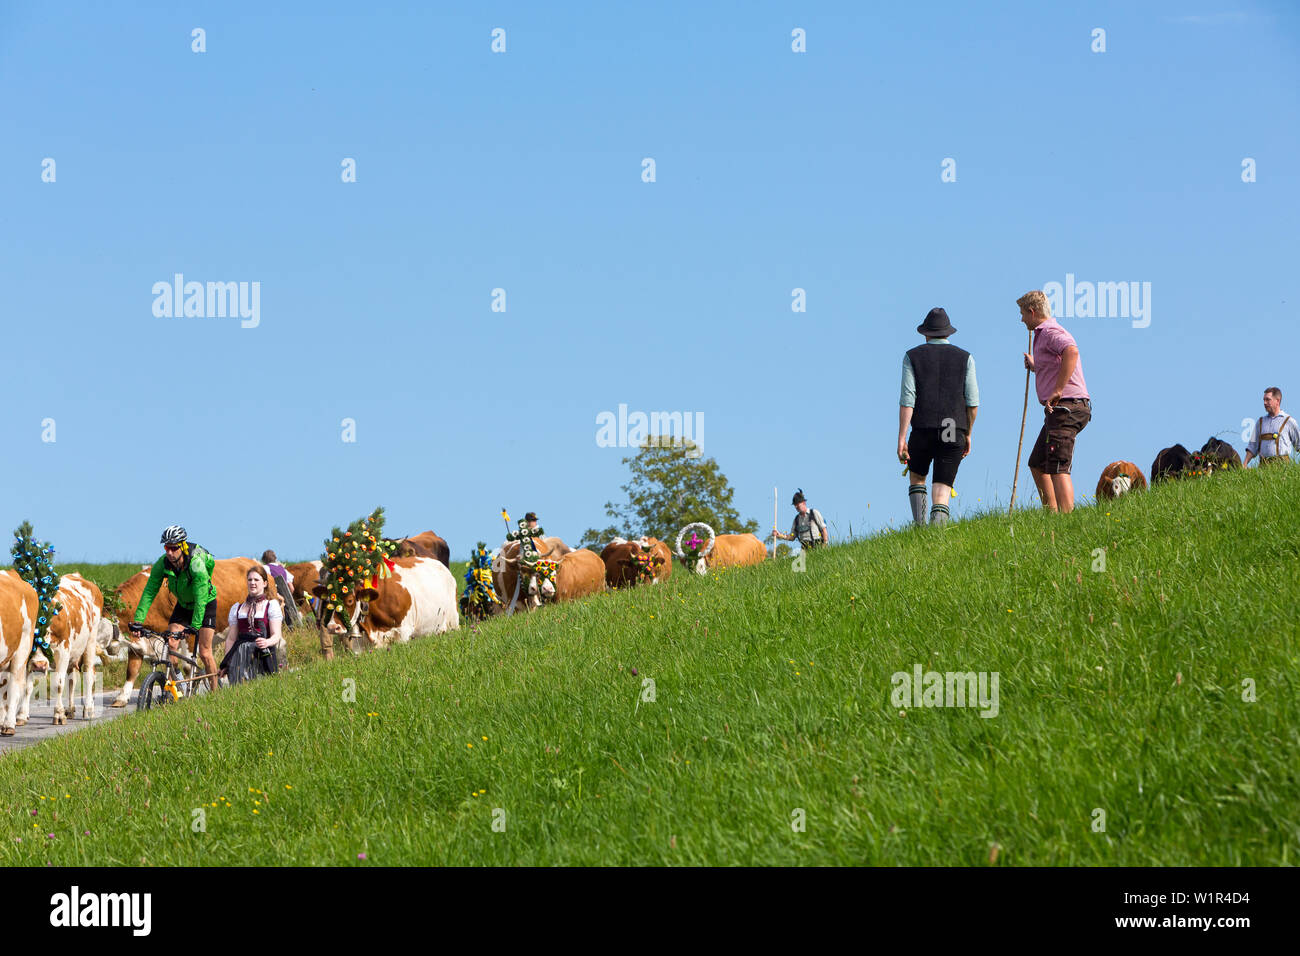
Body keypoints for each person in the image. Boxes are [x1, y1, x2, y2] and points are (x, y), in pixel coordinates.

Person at [897, 307, 979, 526]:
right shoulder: (965, 358)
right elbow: (972, 403)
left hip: (923, 427)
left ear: (925, 333)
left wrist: (902, 437)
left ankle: (920, 528)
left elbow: (908, 400)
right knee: (942, 490)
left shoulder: (912, 357)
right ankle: (936, 535)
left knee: (917, 477)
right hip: (952, 426)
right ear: (948, 333)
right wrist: (969, 433)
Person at [1018, 290, 1090, 513]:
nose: (1021, 319)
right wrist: (1036, 365)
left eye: (1022, 314)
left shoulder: (1049, 331)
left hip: (1066, 406)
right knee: (1037, 463)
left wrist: (1058, 389)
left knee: (1058, 466)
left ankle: (1067, 521)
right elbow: (1055, 363)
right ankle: (1053, 514)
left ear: (1032, 312)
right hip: (1059, 409)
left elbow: (1071, 351)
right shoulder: (1043, 335)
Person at [129, 526, 220, 691]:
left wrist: (195, 626)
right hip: (184, 605)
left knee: (205, 653)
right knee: (171, 644)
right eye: (166, 548)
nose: (169, 552)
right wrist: (138, 621)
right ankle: (180, 687)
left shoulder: (196, 565)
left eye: (173, 548)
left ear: (183, 546)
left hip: (205, 604)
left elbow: (200, 599)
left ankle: (216, 694)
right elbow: (149, 592)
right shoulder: (163, 564)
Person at [219, 565, 283, 684]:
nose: (252, 583)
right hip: (239, 655)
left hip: (262, 654)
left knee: (265, 687)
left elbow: (276, 635)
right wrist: (226, 663)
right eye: (250, 580)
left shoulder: (271, 606)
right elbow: (231, 638)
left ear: (264, 583)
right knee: (239, 690)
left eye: (256, 580)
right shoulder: (238, 608)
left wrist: (267, 642)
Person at [1243, 387, 1299, 467]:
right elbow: (1252, 446)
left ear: (1277, 401)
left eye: (1268, 400)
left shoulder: (1289, 421)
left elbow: (1299, 445)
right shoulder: (1260, 422)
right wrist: (1244, 464)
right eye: (1264, 400)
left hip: (1282, 467)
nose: (1265, 403)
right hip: (1263, 467)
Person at [261, 548, 301, 627]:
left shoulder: (266, 568)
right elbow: (291, 587)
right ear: (275, 558)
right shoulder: (283, 569)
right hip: (285, 599)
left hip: (274, 598)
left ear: (264, 559)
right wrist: (287, 597)